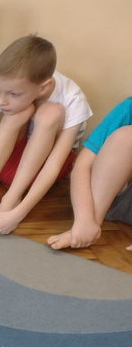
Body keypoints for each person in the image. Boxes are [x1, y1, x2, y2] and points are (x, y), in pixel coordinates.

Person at [0, 36, 93, 234]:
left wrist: (18, 213)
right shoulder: (6, 86)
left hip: (42, 172)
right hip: (6, 164)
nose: (1, 100)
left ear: (43, 87)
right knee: (19, 112)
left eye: (13, 94)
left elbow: (54, 165)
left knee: (51, 113)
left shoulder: (73, 98)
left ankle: (11, 199)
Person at [47, 96, 132, 252]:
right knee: (126, 137)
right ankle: (90, 227)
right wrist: (84, 220)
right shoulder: (129, 107)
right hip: (115, 200)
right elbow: (82, 166)